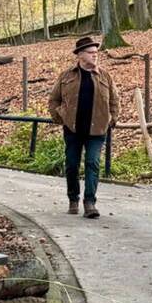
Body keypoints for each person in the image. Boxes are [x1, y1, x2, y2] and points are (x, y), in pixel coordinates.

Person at [48, 34, 118, 218]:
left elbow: (114, 100)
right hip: (73, 129)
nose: (95, 55)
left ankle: (90, 203)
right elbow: (54, 99)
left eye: (96, 52)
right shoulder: (66, 76)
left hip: (97, 129)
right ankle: (73, 198)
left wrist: (113, 119)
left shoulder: (105, 76)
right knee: (71, 165)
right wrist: (58, 116)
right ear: (80, 54)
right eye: (90, 52)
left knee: (92, 163)